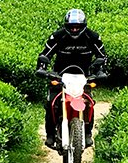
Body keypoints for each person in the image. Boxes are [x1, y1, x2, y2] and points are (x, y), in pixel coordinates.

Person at [37, 8, 107, 149]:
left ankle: (87, 133)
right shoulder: (58, 36)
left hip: (83, 77)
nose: (75, 30)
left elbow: (102, 56)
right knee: (51, 102)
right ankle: (50, 134)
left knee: (89, 102)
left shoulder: (92, 37)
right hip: (60, 76)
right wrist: (42, 68)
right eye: (71, 27)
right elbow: (45, 54)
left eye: (78, 27)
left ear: (83, 26)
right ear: (66, 26)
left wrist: (100, 71)